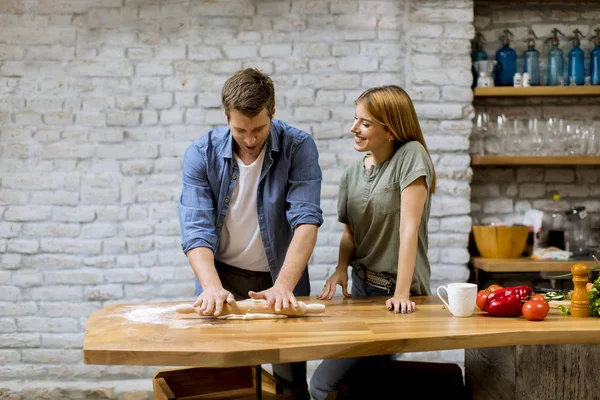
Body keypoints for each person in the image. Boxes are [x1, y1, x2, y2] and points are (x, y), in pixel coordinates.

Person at [178, 68, 323, 400]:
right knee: (228, 384)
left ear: (273, 112)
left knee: (289, 383)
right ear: (226, 116)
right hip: (222, 278)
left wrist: (284, 286)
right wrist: (212, 286)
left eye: (259, 128)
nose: (250, 139)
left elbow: (306, 221)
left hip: (281, 276)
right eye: (239, 129)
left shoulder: (298, 146)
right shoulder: (201, 153)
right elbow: (196, 229)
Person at [309, 85, 436, 400]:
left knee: (322, 385)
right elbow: (350, 232)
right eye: (355, 120)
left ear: (390, 129)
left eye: (364, 123)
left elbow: (409, 227)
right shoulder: (353, 172)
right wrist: (340, 269)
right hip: (361, 289)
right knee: (367, 385)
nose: (354, 128)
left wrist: (402, 293)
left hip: (395, 295)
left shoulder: (410, 156)